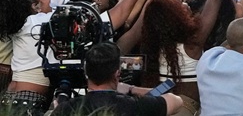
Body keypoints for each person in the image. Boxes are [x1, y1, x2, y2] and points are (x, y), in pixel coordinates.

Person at [51, 42, 182, 115]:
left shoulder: (66, 109)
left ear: (86, 73)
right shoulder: (134, 106)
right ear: (117, 74)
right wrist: (131, 89)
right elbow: (176, 101)